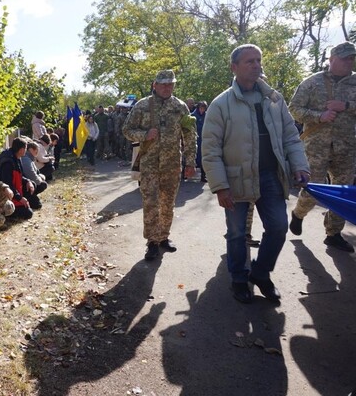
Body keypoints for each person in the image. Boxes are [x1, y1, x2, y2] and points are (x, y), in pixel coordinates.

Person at [202, 44, 310, 304]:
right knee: (238, 233)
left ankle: (261, 273)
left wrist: (299, 164)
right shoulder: (221, 104)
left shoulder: (274, 99)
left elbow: (290, 136)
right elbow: (210, 149)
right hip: (236, 178)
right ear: (234, 67)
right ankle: (239, 278)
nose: (256, 65)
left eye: (258, 60)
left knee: (278, 227)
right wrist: (220, 186)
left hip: (270, 176)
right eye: (249, 61)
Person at [288, 41, 356, 253]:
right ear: (332, 59)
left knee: (342, 193)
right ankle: (298, 214)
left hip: (347, 147)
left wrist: (346, 106)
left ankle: (333, 234)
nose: (349, 61)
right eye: (345, 58)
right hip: (316, 147)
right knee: (313, 189)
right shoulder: (312, 83)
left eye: (351, 58)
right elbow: (294, 108)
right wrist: (319, 116)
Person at [122, 69, 197, 261]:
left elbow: (189, 136)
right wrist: (144, 135)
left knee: (167, 204)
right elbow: (127, 130)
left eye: (170, 84)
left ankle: (164, 237)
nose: (167, 87)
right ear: (155, 85)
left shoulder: (180, 107)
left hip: (172, 165)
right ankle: (152, 242)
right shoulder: (142, 106)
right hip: (149, 165)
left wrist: (190, 162)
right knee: (150, 203)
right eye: (163, 84)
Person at [0, 137, 35, 220]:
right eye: (25, 149)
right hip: (7, 194)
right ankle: (9, 214)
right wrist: (20, 198)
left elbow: (19, 176)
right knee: (28, 213)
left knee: (32, 185)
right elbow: (8, 184)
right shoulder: (8, 163)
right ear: (21, 150)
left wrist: (28, 181)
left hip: (16, 190)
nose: (26, 151)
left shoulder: (16, 158)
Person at [21, 141, 49, 209]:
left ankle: (32, 196)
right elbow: (31, 174)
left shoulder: (29, 158)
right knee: (43, 185)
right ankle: (30, 197)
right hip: (26, 184)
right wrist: (40, 181)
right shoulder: (26, 159)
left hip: (29, 182)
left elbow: (36, 171)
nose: (37, 153)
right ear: (31, 149)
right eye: (36, 151)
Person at [192, 101, 208, 182]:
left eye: (204, 108)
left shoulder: (207, 115)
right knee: (193, 156)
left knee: (203, 157)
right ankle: (186, 173)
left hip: (204, 139)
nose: (202, 110)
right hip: (195, 139)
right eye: (201, 108)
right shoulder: (193, 116)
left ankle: (203, 175)